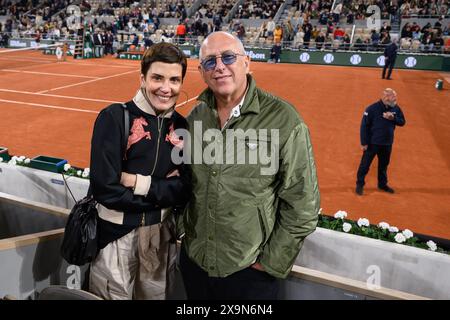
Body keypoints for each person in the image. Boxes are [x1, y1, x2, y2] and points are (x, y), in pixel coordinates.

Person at [179, 31, 320, 300]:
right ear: (202, 71)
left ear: (247, 62)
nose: (219, 67)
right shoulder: (195, 118)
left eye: (228, 57)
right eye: (210, 62)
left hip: (249, 274)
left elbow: (303, 205)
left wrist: (268, 265)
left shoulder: (284, 119)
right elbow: (185, 184)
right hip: (195, 264)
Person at [88, 42, 191, 300]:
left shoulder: (182, 126)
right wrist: (162, 192)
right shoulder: (114, 117)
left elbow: (184, 190)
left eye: (174, 80)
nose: (166, 88)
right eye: (157, 77)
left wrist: (134, 181)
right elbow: (106, 190)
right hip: (114, 239)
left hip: (160, 239)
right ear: (142, 77)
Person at [356, 88, 406, 196]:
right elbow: (364, 126)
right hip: (372, 143)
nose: (395, 100)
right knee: (365, 165)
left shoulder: (395, 108)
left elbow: (402, 122)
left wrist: (393, 118)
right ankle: (360, 184)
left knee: (383, 165)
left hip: (387, 144)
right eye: (393, 97)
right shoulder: (371, 109)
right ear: (386, 97)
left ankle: (382, 184)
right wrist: (364, 143)